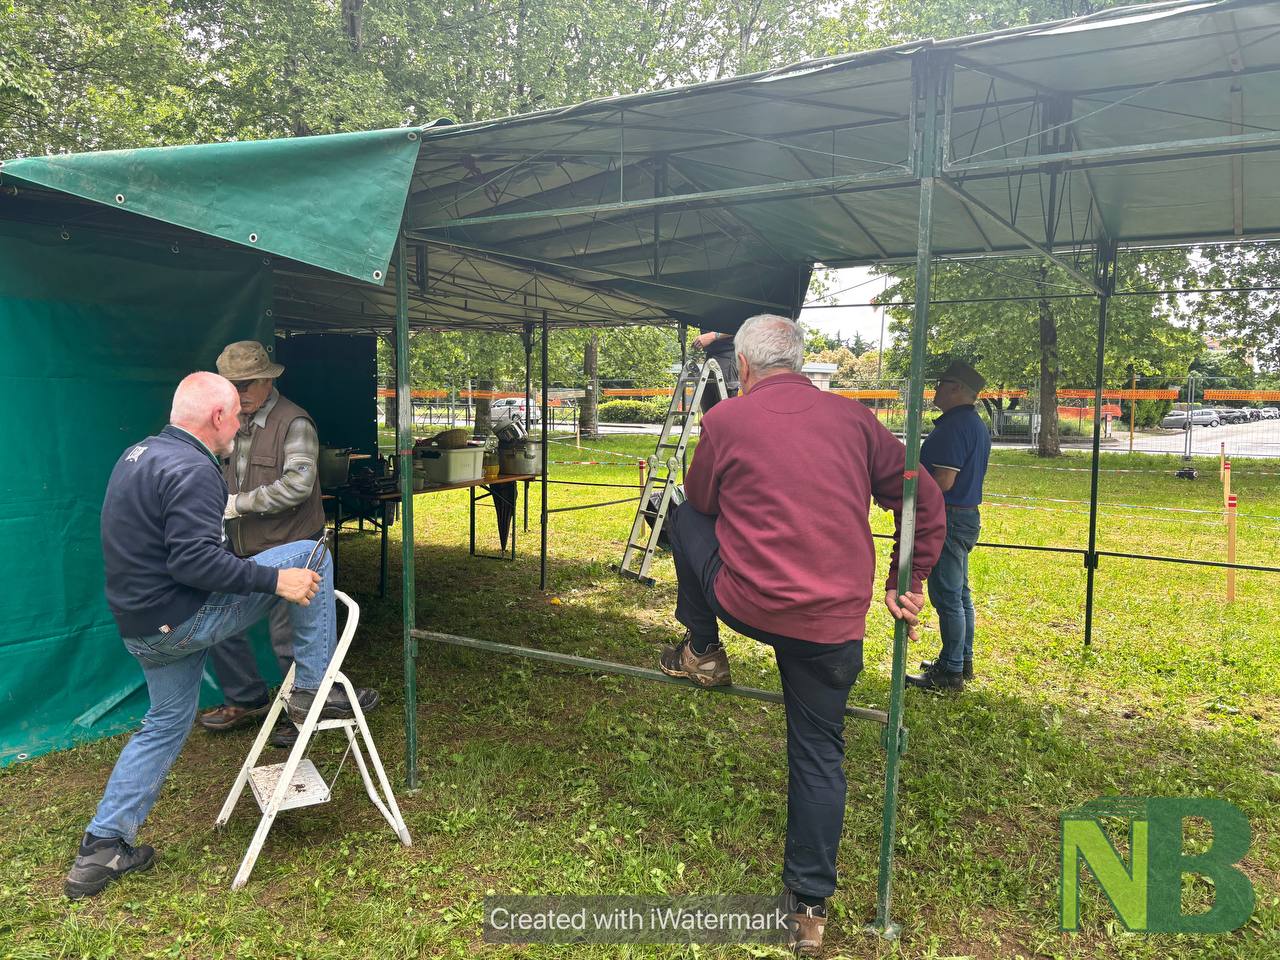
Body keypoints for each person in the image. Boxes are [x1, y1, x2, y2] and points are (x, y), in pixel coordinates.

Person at [656, 314, 946, 955]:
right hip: (832, 623)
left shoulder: (726, 420)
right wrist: (912, 578)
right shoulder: (855, 420)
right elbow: (920, 493)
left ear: (746, 370)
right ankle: (808, 911)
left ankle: (701, 650)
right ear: (802, 362)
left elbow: (703, 501)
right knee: (818, 755)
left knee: (681, 514)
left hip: (749, 602)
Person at [66, 372, 365, 900]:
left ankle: (103, 846)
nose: (242, 426)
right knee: (310, 552)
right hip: (181, 620)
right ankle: (314, 691)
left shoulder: (137, 455)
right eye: (238, 417)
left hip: (141, 627)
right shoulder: (198, 470)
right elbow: (194, 562)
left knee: (163, 724)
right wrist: (275, 580)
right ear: (219, 418)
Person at [198, 340, 377, 749]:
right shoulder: (226, 420)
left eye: (246, 385)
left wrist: (236, 505)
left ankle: (306, 711)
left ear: (267, 381)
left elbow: (298, 485)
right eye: (231, 385)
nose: (238, 393)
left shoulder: (293, 422)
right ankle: (247, 698)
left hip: (292, 545)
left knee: (290, 636)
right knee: (219, 621)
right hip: (240, 546)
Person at [907, 360, 992, 692]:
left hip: (949, 517)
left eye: (942, 382)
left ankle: (951, 672)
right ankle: (961, 659)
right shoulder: (972, 423)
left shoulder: (955, 427)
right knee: (960, 594)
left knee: (947, 596)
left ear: (958, 389)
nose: (936, 388)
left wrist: (908, 482)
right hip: (964, 516)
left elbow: (942, 480)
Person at [692, 328, 740, 412]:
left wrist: (713, 335)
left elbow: (741, 323)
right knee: (708, 409)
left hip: (727, 354)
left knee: (726, 412)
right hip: (710, 355)